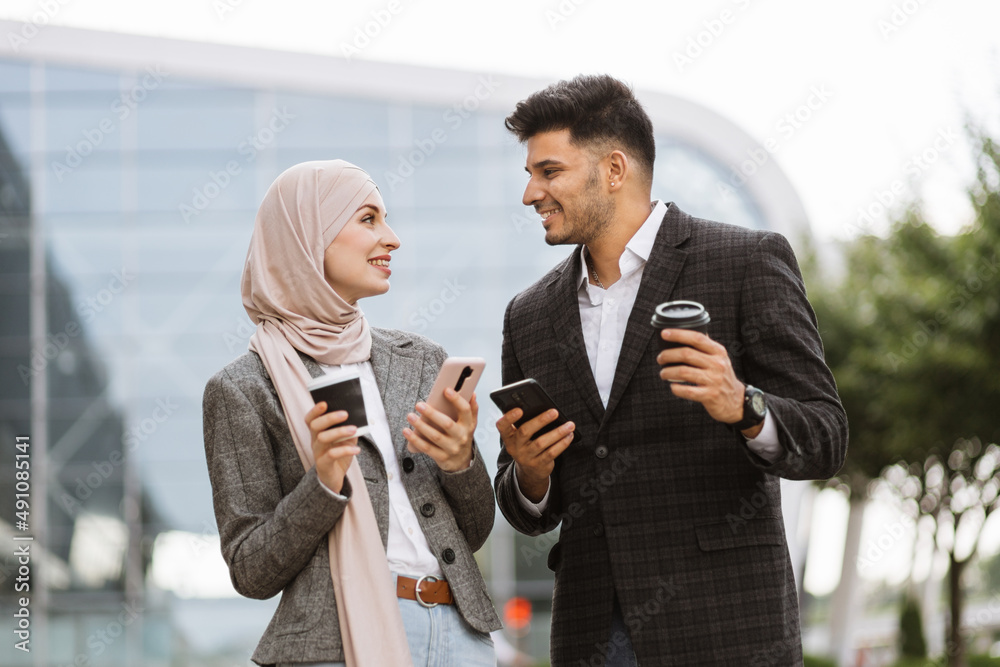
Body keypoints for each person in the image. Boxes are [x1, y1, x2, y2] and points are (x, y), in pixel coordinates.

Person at [493, 75, 848, 666]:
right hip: (589, 635)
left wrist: (744, 404)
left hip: (726, 628)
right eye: (530, 174)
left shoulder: (745, 261)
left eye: (548, 171)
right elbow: (527, 508)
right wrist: (530, 476)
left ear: (613, 169)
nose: (530, 193)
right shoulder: (527, 315)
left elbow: (826, 437)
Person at [203, 160, 500, 667]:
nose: (392, 238)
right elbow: (250, 570)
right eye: (368, 219)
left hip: (458, 635)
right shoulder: (244, 388)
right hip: (333, 644)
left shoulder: (420, 359)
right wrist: (322, 482)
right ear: (307, 236)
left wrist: (459, 464)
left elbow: (471, 531)